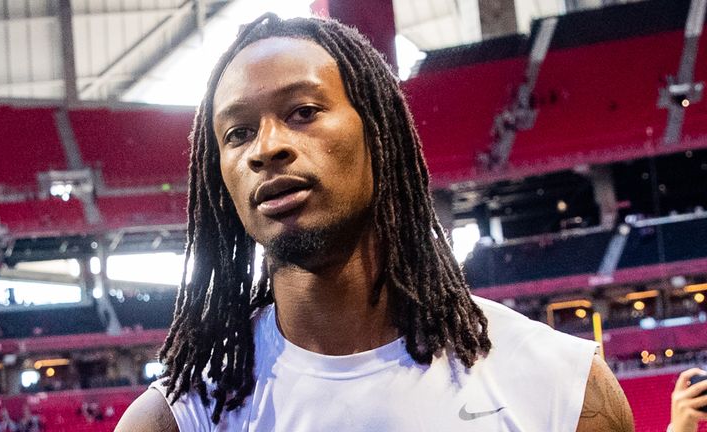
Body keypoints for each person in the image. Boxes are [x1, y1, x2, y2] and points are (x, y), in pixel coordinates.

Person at [116, 13, 633, 431]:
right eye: (238, 133)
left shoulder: (563, 392)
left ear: (379, 134)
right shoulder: (174, 422)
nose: (267, 148)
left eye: (302, 111)